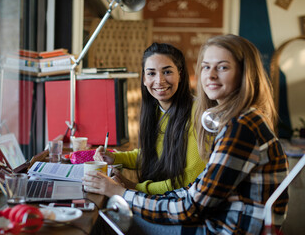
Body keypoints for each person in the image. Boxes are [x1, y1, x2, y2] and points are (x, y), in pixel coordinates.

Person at [83, 34, 289, 234]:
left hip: (224, 228)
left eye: (223, 67)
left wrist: (124, 192)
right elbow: (196, 190)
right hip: (218, 217)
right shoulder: (238, 119)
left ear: (244, 73)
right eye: (206, 67)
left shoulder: (240, 126)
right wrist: (126, 186)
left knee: (110, 219)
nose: (211, 75)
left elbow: (190, 208)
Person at [93, 42, 206, 195]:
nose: (159, 80)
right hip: (162, 199)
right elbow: (153, 155)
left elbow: (191, 178)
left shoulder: (199, 112)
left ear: (180, 74)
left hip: (181, 201)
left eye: (167, 72)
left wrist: (133, 187)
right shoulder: (155, 110)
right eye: (151, 73)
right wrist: (114, 157)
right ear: (144, 79)